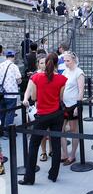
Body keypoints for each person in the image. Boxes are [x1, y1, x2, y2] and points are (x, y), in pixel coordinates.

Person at [19, 53, 67, 185]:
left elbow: (34, 98)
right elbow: (61, 98)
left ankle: (29, 178)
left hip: (42, 115)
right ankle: (53, 175)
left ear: (45, 63)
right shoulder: (62, 79)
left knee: (34, 145)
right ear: (57, 63)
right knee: (56, 144)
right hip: (57, 114)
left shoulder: (36, 77)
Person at [23, 54, 51, 162]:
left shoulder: (52, 74)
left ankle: (51, 149)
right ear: (38, 64)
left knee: (51, 131)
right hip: (40, 106)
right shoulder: (34, 76)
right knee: (42, 132)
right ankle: (43, 151)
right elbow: (28, 90)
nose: (44, 65)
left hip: (51, 105)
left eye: (46, 62)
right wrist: (26, 98)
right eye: (42, 63)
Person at [61, 51, 85, 165]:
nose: (66, 63)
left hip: (73, 105)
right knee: (61, 130)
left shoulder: (79, 73)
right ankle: (65, 154)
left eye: (68, 61)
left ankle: (72, 155)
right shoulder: (65, 71)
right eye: (64, 61)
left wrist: (77, 107)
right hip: (64, 105)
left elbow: (81, 91)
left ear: (74, 60)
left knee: (74, 131)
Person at [0, 50, 22, 137]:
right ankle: (8, 132)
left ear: (6, 57)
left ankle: (1, 130)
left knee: (2, 112)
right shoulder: (14, 67)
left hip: (1, 92)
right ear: (13, 56)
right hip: (11, 93)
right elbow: (19, 79)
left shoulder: (0, 65)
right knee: (10, 112)